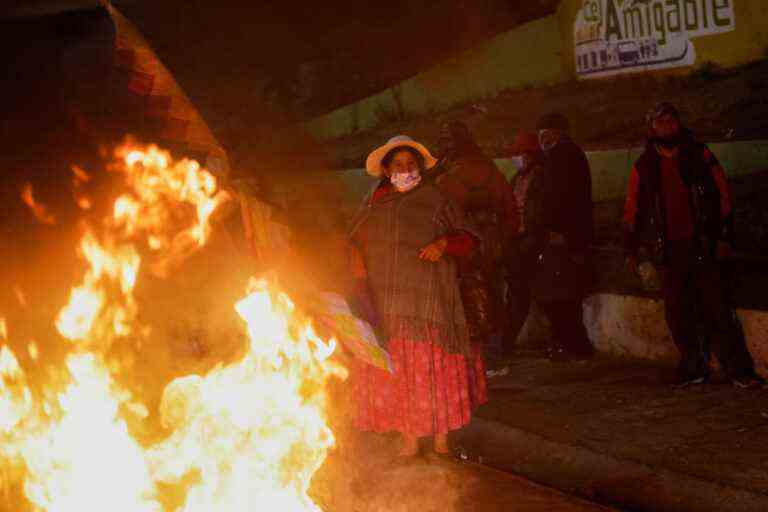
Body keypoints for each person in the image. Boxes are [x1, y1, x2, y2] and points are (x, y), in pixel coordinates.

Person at [349, 135, 487, 457]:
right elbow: (351, 239)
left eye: (411, 164)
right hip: (387, 307)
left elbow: (471, 238)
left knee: (433, 374)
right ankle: (409, 439)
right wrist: (355, 263)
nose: (405, 169)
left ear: (421, 169)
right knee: (402, 375)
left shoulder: (437, 201)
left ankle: (441, 442)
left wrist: (444, 245)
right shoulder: (373, 205)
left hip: (430, 305)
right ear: (386, 170)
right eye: (398, 164)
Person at [623, 102, 761, 388]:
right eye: (660, 122)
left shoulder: (700, 155)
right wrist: (632, 248)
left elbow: (723, 197)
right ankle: (693, 366)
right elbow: (633, 209)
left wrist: (723, 237)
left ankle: (738, 369)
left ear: (678, 123)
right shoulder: (644, 166)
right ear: (652, 128)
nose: (666, 127)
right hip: (669, 251)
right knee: (678, 313)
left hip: (702, 245)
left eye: (671, 121)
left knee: (718, 309)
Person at [431, 120, 518, 353]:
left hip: (468, 246)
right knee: (492, 289)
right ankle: (495, 342)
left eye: (448, 141)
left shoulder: (452, 177)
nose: (444, 146)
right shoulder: (487, 168)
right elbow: (510, 207)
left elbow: (439, 212)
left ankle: (480, 344)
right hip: (490, 242)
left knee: (472, 293)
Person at [533, 112, 595, 361]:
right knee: (561, 294)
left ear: (561, 133)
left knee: (562, 295)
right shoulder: (559, 156)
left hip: (563, 237)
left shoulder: (564, 156)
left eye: (550, 133)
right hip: (562, 236)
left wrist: (561, 232)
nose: (545, 138)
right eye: (542, 134)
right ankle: (570, 343)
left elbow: (565, 199)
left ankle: (574, 345)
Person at [503, 132, 551, 356]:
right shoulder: (517, 178)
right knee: (518, 293)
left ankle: (508, 342)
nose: (517, 158)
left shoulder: (541, 178)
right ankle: (507, 342)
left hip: (534, 242)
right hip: (519, 242)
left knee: (529, 293)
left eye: (520, 153)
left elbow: (542, 213)